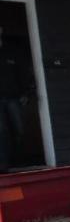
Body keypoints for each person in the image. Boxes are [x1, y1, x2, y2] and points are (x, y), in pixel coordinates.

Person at [0, 26, 30, 174]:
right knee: (2, 131)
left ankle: (20, 161)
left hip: (14, 97)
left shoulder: (13, 51)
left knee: (19, 129)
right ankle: (4, 165)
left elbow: (23, 73)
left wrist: (26, 93)